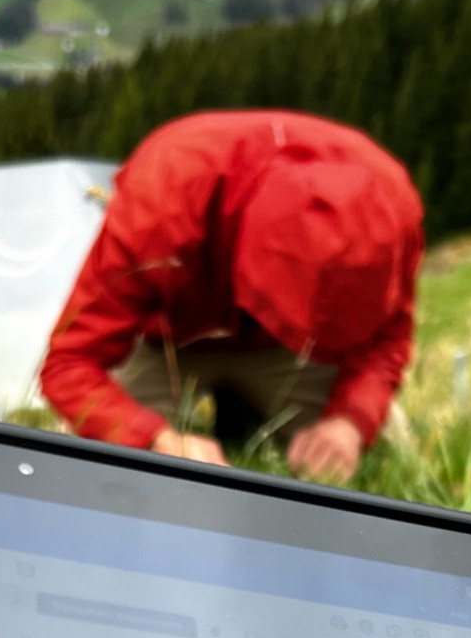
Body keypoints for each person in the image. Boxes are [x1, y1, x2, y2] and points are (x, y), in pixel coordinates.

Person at [40, 110, 424, 482]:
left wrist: (349, 423)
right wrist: (155, 440)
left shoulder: (393, 206)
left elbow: (388, 339)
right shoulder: (165, 194)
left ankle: (251, 415)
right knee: (103, 461)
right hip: (165, 345)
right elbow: (70, 362)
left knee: (380, 446)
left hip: (285, 354)